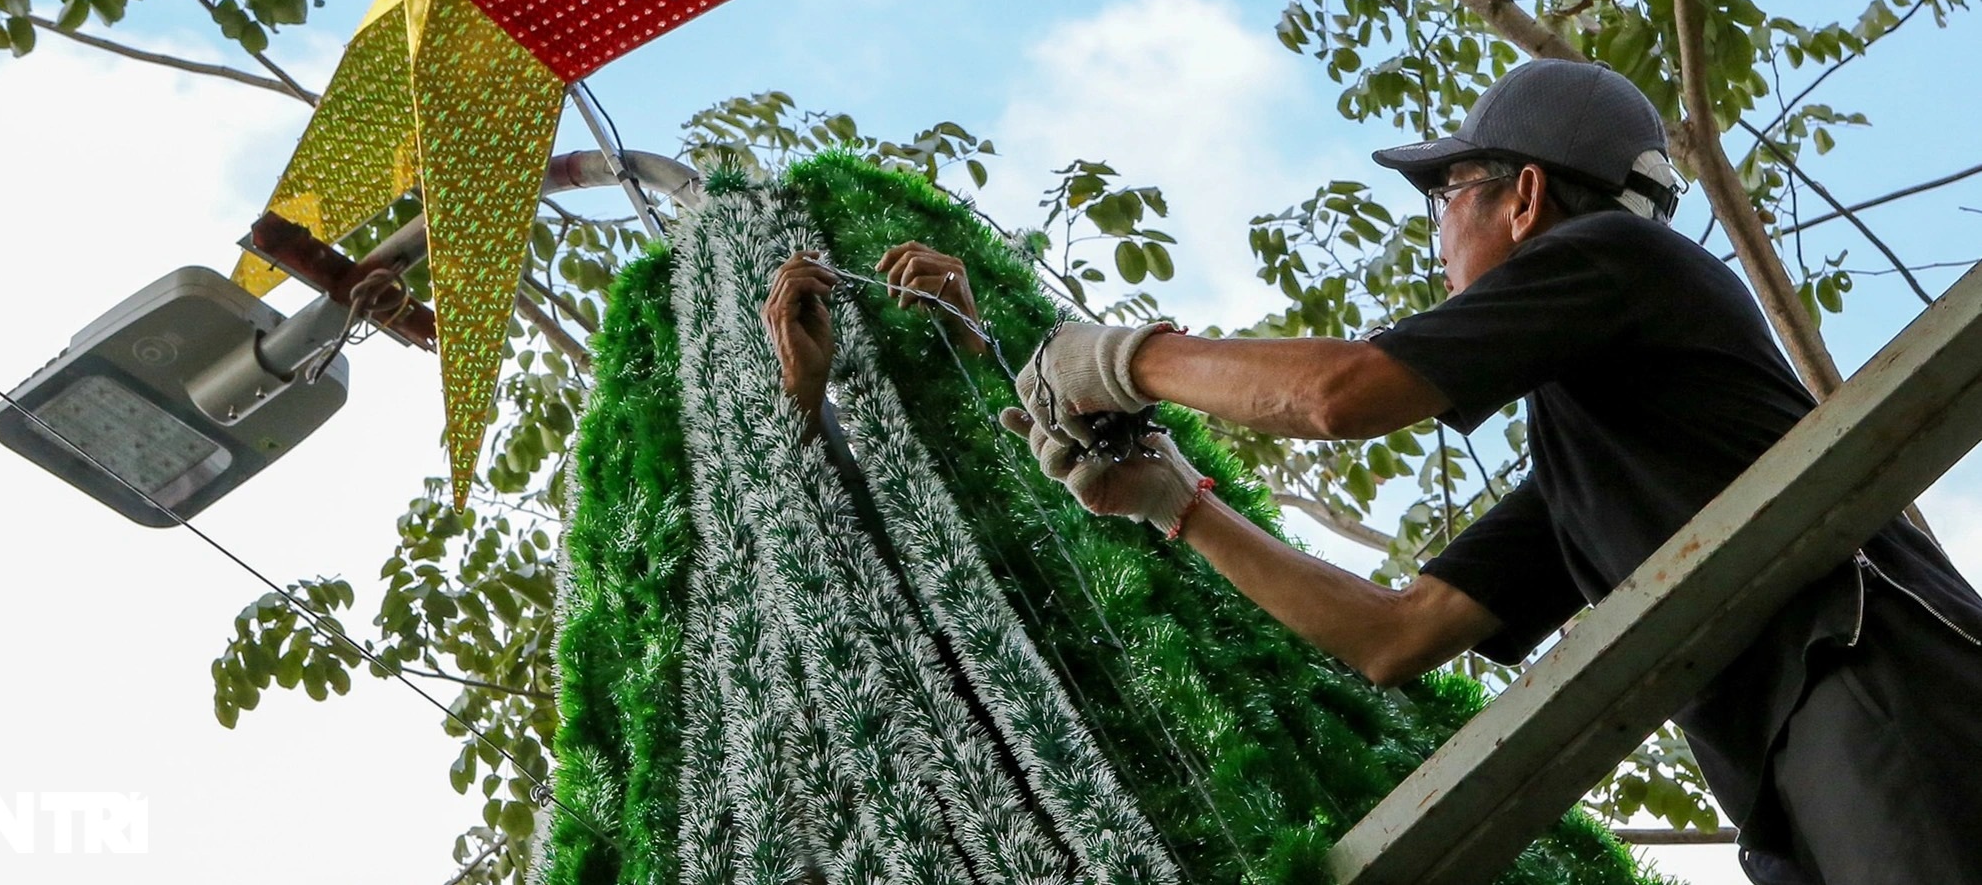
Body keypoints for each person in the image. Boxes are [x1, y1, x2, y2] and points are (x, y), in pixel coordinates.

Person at [760, 60, 1982, 885]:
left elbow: (1341, 393)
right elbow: (1391, 635)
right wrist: (1170, 501)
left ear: (1525, 197)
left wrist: (1123, 356)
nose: (1435, 223)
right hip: (1787, 763)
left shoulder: (1622, 257)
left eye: (1447, 190)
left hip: (1877, 684)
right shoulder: (1606, 450)